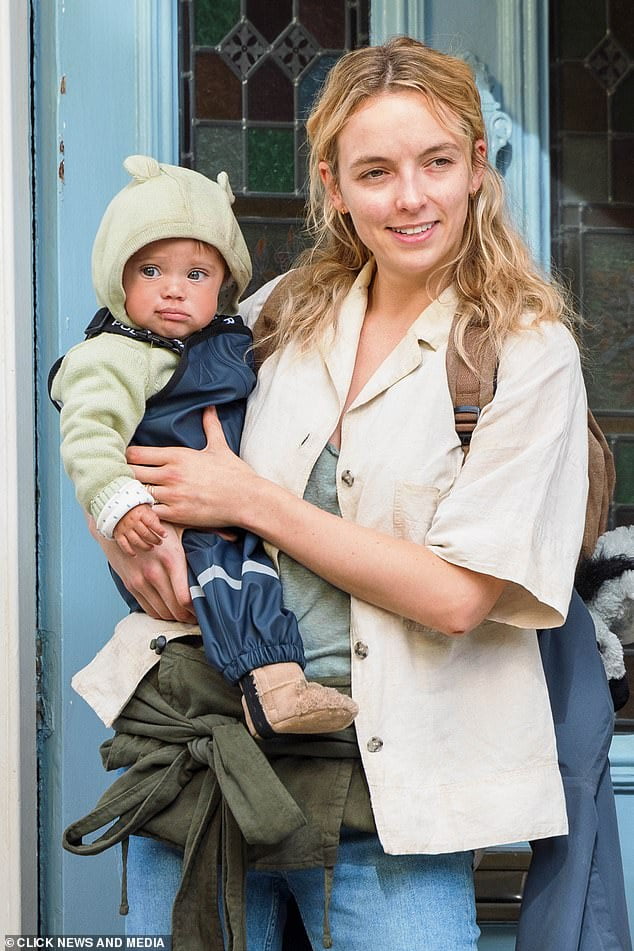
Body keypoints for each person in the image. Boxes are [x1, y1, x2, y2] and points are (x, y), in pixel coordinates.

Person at [86, 37, 592, 950]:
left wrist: (248, 499)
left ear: (478, 166)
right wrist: (130, 526)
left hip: (389, 809)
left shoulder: (526, 351)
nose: (409, 197)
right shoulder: (275, 314)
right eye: (374, 170)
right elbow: (144, 437)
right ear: (332, 184)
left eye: (437, 161)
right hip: (208, 767)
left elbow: (458, 595)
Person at [49, 154, 357, 738]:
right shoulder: (113, 356)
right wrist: (117, 508)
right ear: (116, 277)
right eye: (149, 272)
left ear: (224, 285)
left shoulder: (234, 333)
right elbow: (89, 435)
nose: (173, 291)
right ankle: (272, 689)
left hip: (229, 512)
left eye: (196, 275)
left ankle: (277, 685)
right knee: (231, 580)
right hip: (168, 521)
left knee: (252, 577)